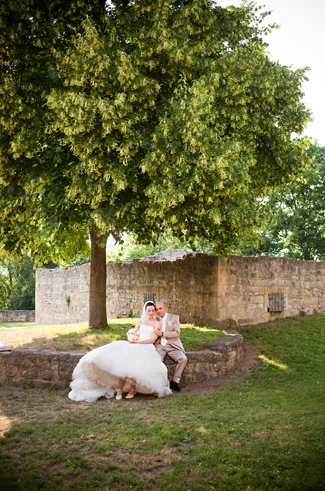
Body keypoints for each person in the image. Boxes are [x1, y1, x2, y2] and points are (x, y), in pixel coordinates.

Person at [68, 301, 172, 402]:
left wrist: (139, 343)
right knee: (122, 359)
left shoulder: (157, 323)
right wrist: (132, 338)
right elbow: (135, 333)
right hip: (135, 345)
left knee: (135, 365)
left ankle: (133, 389)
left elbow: (152, 340)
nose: (151, 313)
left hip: (146, 347)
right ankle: (119, 389)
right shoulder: (140, 322)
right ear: (145, 311)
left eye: (153, 311)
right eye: (149, 310)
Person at [154, 301, 187, 391]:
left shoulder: (174, 318)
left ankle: (175, 381)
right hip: (160, 346)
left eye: (160, 308)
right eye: (157, 309)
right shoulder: (156, 320)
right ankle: (162, 383)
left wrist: (162, 333)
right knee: (158, 361)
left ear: (165, 308)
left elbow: (176, 333)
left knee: (183, 359)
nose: (158, 311)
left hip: (173, 346)